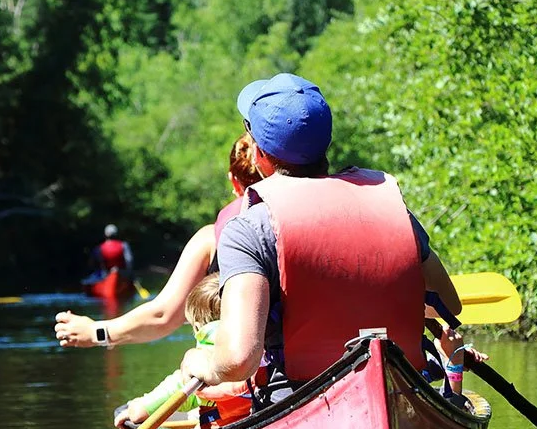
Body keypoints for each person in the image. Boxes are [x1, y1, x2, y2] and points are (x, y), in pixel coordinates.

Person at [179, 73, 464, 404]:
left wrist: (202, 362)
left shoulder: (247, 231)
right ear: (325, 145)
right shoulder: (391, 209)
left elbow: (239, 360)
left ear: (258, 155)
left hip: (298, 398)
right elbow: (449, 303)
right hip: (402, 390)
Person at [55, 132, 261, 348]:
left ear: (233, 180)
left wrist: (95, 332)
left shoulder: (210, 239)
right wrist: (126, 274)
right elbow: (127, 261)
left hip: (239, 370)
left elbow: (163, 316)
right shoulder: (293, 216)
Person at [113, 274, 257, 429]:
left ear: (196, 327)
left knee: (198, 425)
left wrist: (136, 409)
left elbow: (156, 403)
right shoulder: (259, 351)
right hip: (259, 423)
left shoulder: (199, 366)